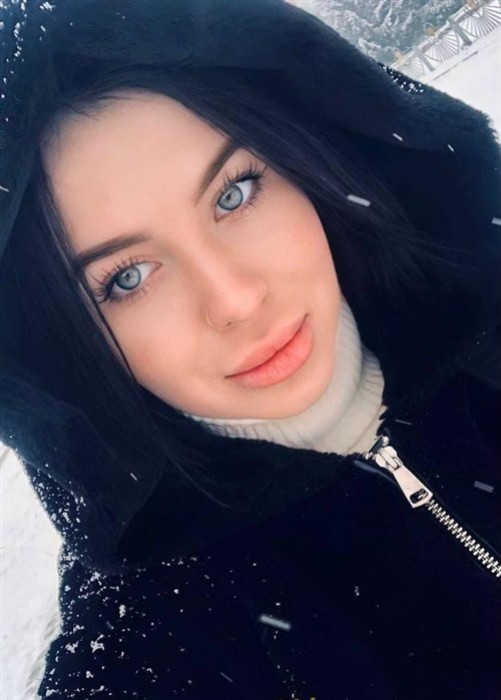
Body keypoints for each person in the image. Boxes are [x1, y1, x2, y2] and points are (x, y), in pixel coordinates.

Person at [1, 0, 500, 698]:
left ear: (302, 160)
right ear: (59, 347)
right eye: (127, 278)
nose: (234, 299)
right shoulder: (162, 635)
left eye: (234, 194)